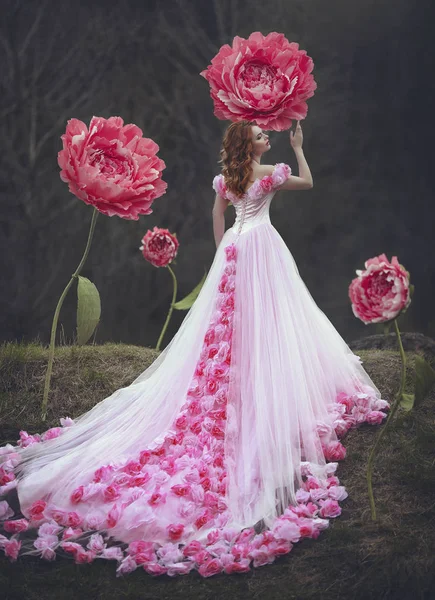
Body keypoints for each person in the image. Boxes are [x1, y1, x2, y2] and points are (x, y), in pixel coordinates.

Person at [0, 120, 388, 577]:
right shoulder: (267, 174)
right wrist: (301, 148)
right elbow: (307, 181)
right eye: (263, 136)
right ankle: (257, 372)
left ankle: (240, 367)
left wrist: (224, 248)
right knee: (272, 312)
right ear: (251, 144)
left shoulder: (229, 179)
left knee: (233, 320)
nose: (269, 138)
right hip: (262, 244)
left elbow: (217, 213)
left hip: (238, 249)